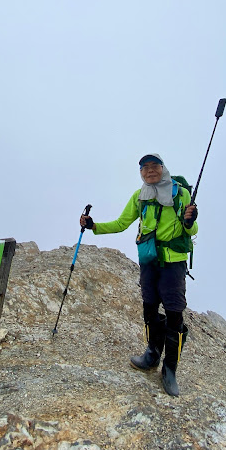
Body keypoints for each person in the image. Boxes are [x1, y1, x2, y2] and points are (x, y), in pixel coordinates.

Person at [80, 153, 198, 397]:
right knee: (149, 308)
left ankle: (170, 369)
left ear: (163, 168)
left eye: (154, 166)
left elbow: (192, 227)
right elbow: (122, 223)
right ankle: (152, 354)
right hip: (149, 261)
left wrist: (190, 221)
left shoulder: (180, 193)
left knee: (175, 315)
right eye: (144, 168)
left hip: (173, 262)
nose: (149, 171)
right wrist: (94, 226)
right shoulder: (139, 196)